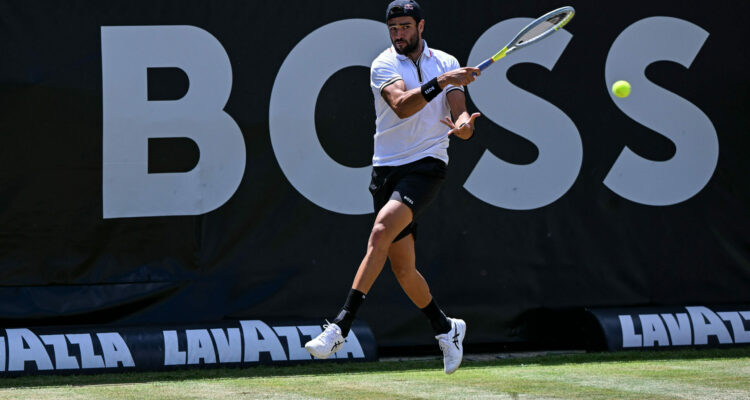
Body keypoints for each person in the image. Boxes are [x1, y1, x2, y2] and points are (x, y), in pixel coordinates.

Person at [305, 0, 481, 374]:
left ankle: (339, 326)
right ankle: (446, 329)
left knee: (381, 231)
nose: (398, 34)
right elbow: (402, 105)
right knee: (404, 270)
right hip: (386, 171)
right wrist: (443, 82)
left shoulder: (446, 62)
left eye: (405, 27)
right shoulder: (383, 63)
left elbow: (459, 111)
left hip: (428, 165)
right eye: (393, 28)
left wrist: (465, 126)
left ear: (420, 25)